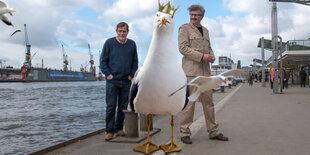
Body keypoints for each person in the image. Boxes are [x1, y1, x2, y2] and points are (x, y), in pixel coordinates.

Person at [178, 4, 228, 144]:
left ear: (202, 16)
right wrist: (202, 56)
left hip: (206, 72)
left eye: (196, 15)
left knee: (209, 103)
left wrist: (212, 56)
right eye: (191, 14)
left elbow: (209, 48)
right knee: (190, 103)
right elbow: (182, 48)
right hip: (191, 72)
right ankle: (184, 133)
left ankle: (213, 131)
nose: (193, 17)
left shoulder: (205, 31)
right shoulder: (184, 29)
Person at [100, 22, 138, 141]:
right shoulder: (109, 43)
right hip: (112, 81)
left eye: (124, 31)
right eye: (120, 31)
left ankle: (119, 129)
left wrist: (131, 75)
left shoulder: (132, 44)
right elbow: (103, 61)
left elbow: (135, 61)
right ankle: (109, 131)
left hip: (126, 81)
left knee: (122, 107)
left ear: (128, 32)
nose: (122, 33)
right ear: (116, 31)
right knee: (111, 106)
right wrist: (108, 74)